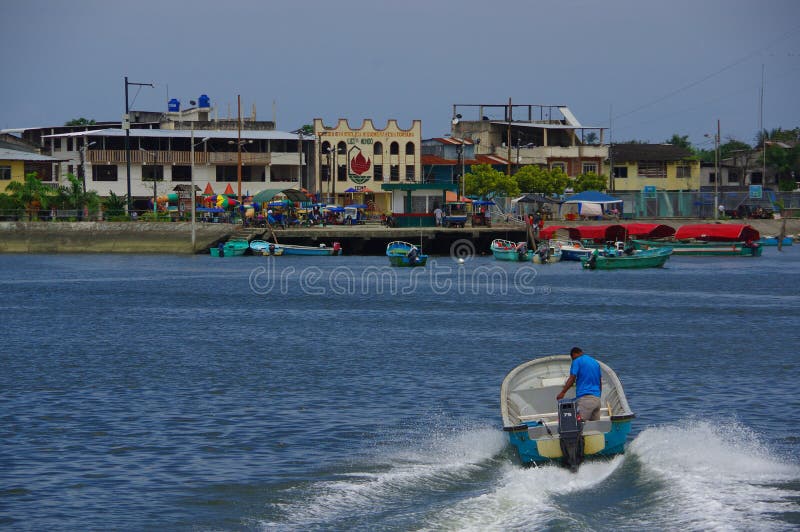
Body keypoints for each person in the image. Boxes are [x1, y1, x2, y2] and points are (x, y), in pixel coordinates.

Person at [557, 347, 602, 421]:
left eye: (572, 358)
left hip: (586, 399)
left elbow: (572, 378)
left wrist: (562, 392)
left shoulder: (577, 361)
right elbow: (599, 381)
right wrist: (599, 396)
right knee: (594, 427)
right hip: (597, 399)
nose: (573, 360)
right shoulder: (594, 362)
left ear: (575, 354)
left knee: (577, 423)